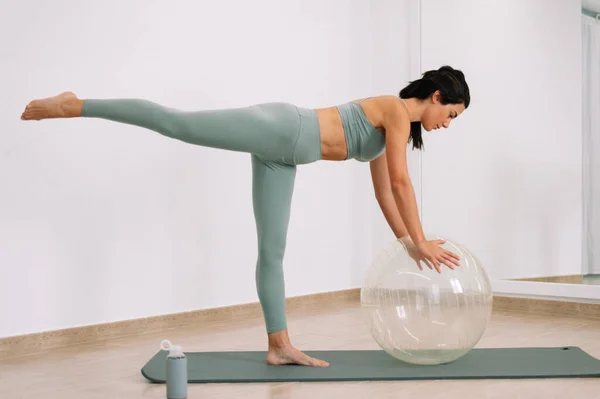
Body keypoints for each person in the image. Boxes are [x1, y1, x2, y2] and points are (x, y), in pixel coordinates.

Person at [20, 65, 470, 368]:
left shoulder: (394, 127)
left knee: (272, 251)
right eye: (450, 114)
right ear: (435, 96)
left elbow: (384, 193)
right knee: (177, 123)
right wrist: (423, 238)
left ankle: (279, 345)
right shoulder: (394, 109)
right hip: (282, 128)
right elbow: (401, 183)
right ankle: (75, 104)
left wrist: (409, 243)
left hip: (283, 159)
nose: (447, 124)